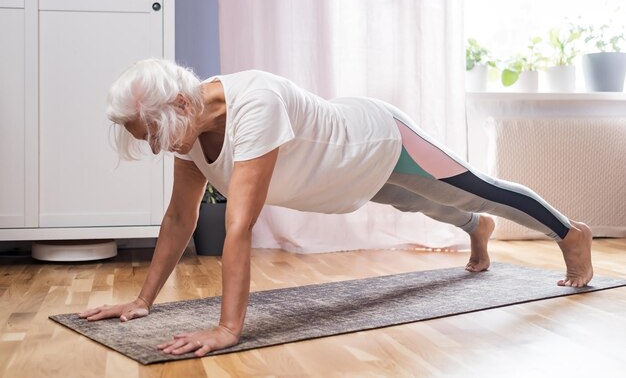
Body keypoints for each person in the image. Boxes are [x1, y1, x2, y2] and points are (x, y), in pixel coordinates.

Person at [79, 58, 593, 357]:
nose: (157, 148)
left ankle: (571, 235)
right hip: (338, 182)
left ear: (183, 107)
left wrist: (227, 329)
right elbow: (178, 219)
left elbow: (240, 225)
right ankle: (475, 228)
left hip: (375, 141)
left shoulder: (254, 103)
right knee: (424, 206)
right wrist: (142, 300)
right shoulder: (187, 131)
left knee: (474, 187)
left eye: (154, 136)